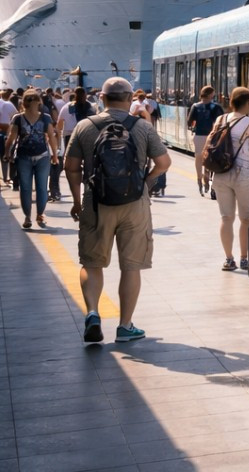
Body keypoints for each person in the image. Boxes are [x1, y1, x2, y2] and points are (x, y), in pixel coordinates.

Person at [65, 77, 171, 345]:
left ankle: (92, 313)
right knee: (131, 266)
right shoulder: (143, 127)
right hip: (134, 204)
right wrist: (145, 183)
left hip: (96, 202)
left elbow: (71, 166)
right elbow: (163, 162)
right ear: (128, 99)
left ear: (101, 98)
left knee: (91, 262)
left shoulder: (84, 126)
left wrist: (77, 201)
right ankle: (125, 326)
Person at [208, 87, 249, 272]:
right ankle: (244, 259)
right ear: (248, 103)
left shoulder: (220, 119)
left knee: (226, 218)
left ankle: (228, 259)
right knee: (246, 219)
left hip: (221, 173)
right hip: (244, 174)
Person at [5, 90, 60, 229]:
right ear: (39, 102)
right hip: (42, 156)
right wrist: (54, 155)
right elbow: (52, 138)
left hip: (23, 157)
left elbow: (12, 137)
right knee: (42, 188)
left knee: (26, 188)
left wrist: (7, 152)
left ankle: (28, 217)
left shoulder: (18, 118)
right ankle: (39, 214)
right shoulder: (45, 118)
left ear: (23, 103)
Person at [187, 86, 224, 197]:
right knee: (210, 158)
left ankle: (199, 179)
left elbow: (189, 122)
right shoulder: (216, 107)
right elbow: (221, 122)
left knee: (198, 157)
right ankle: (208, 179)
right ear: (210, 95)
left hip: (198, 136)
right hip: (212, 136)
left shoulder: (195, 106)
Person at [0, 89, 16, 186]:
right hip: (6, 132)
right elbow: (16, 115)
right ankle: (6, 178)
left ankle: (6, 178)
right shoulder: (8, 104)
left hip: (4, 131)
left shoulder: (6, 104)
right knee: (5, 156)